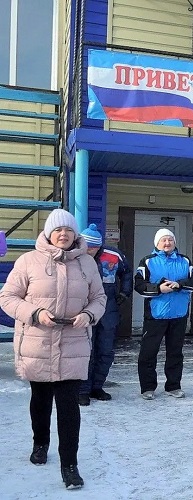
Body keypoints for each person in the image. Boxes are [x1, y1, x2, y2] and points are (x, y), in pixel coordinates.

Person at [0, 209, 107, 489]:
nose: (63, 234)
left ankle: (69, 465)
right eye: (58, 230)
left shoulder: (87, 263)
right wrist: (35, 313)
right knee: (41, 399)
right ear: (49, 233)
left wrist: (89, 314)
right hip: (38, 341)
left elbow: (99, 298)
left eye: (68, 230)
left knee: (69, 406)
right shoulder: (28, 261)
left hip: (73, 343)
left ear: (75, 234)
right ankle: (40, 443)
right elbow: (8, 297)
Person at [133, 228, 193, 400]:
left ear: (175, 242)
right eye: (163, 240)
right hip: (156, 315)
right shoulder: (148, 261)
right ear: (157, 243)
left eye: (170, 240)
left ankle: (173, 386)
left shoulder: (185, 261)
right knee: (148, 353)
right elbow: (139, 285)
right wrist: (158, 289)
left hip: (179, 314)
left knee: (175, 353)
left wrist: (179, 285)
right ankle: (147, 387)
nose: (167, 243)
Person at [77, 223, 133, 406]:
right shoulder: (74, 255)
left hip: (109, 310)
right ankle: (82, 390)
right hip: (84, 309)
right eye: (87, 247)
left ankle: (97, 387)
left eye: (93, 247)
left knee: (105, 351)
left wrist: (124, 293)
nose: (90, 251)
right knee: (86, 351)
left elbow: (126, 273)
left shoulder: (113, 255)